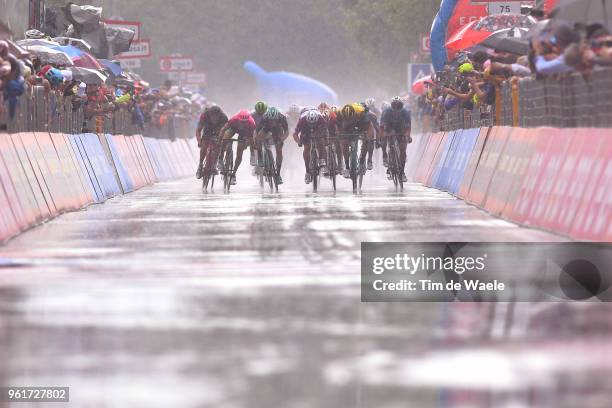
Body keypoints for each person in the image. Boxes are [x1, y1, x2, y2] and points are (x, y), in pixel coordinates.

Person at [219, 109, 256, 186]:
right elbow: (223, 129)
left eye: (245, 122)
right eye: (242, 122)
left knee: (240, 153)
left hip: (245, 134)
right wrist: (220, 140)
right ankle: (220, 159)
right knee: (225, 140)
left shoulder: (251, 123)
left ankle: (233, 174)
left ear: (248, 120)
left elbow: (251, 139)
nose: (243, 123)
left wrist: (248, 148)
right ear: (238, 119)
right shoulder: (233, 119)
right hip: (233, 129)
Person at [337, 103, 374, 178]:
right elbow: (338, 126)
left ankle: (362, 161)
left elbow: (368, 126)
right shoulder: (340, 113)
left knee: (366, 140)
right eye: (347, 118)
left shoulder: (361, 112)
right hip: (347, 127)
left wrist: (367, 136)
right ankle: (347, 167)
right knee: (344, 143)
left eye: (350, 117)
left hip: (360, 124)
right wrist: (339, 135)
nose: (349, 119)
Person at [379, 96, 411, 182]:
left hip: (400, 128)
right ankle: (389, 163)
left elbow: (408, 127)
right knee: (389, 142)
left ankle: (402, 172)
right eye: (394, 106)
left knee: (403, 150)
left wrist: (407, 136)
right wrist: (382, 137)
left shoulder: (405, 112)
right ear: (391, 106)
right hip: (389, 127)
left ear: (402, 105)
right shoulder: (386, 111)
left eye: (398, 106)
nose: (396, 108)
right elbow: (381, 127)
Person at [293, 108, 328, 184]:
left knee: (320, 140)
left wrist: (325, 140)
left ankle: (322, 159)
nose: (312, 125)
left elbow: (325, 131)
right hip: (306, 130)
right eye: (310, 124)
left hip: (317, 128)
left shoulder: (320, 119)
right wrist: (299, 142)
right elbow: (295, 134)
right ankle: (307, 172)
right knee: (307, 148)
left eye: (313, 123)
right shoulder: (302, 120)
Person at [255, 106, 289, 185]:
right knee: (259, 139)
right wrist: (256, 141)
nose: (273, 122)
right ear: (268, 118)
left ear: (278, 118)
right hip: (266, 129)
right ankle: (260, 159)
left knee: (279, 150)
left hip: (278, 131)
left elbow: (286, 132)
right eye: (271, 120)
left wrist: (281, 140)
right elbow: (256, 131)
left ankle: (278, 174)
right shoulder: (265, 118)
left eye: (274, 120)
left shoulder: (282, 117)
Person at [195, 104, 228, 179]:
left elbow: (226, 132)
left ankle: (213, 165)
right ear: (209, 114)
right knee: (204, 146)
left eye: (216, 116)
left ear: (220, 115)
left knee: (218, 146)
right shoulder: (204, 115)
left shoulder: (224, 118)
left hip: (218, 131)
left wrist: (223, 143)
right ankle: (200, 165)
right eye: (213, 116)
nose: (214, 118)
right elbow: (198, 131)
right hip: (208, 130)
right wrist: (199, 141)